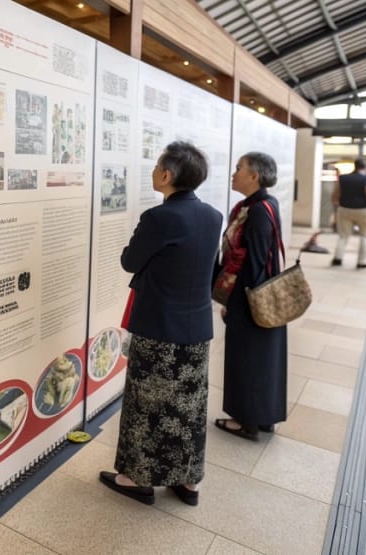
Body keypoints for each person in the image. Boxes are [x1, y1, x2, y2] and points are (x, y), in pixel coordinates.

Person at [99, 141, 222, 507]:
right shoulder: (213, 216)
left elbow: (129, 261)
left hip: (159, 328)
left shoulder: (160, 218)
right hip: (197, 327)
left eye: (156, 167)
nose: (153, 171)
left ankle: (136, 479)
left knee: (147, 406)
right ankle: (187, 482)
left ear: (167, 175)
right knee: (189, 407)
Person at [214, 152, 287, 441]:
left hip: (251, 298)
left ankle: (246, 421)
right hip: (260, 296)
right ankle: (262, 417)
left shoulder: (256, 210)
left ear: (254, 175)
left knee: (247, 360)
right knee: (262, 360)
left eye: (239, 168)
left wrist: (237, 303)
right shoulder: (264, 204)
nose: (234, 173)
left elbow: (254, 262)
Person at [331, 158, 366, 269]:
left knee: (343, 236)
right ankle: (361, 262)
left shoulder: (343, 178)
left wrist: (336, 210)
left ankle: (337, 259)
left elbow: (335, 196)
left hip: (344, 210)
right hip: (365, 211)